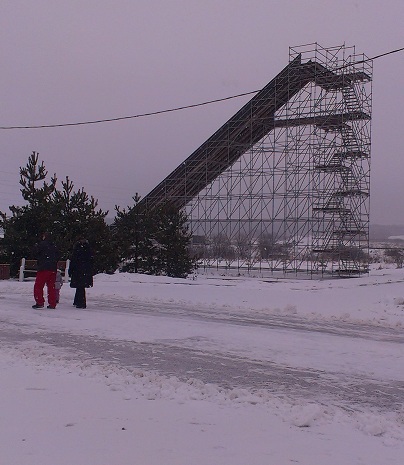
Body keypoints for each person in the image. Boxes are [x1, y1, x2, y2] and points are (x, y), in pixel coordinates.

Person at [32, 232, 59, 309]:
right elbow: (58, 256)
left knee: (38, 286)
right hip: (53, 268)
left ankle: (39, 302)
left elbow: (35, 253)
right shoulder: (54, 246)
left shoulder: (41, 245)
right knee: (51, 286)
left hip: (43, 268)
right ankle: (52, 303)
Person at [69, 237, 93, 309]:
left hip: (78, 270)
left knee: (80, 287)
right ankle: (78, 301)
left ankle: (80, 303)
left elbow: (73, 260)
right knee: (81, 286)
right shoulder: (87, 249)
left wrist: (71, 270)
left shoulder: (77, 248)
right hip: (85, 270)